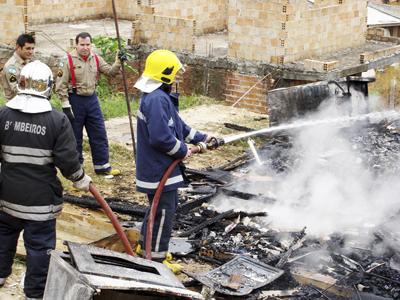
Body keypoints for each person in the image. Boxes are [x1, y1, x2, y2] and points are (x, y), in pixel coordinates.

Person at [0, 61, 92, 300]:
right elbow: (68, 162)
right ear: (48, 87)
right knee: (40, 250)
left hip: (7, 198)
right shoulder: (57, 120)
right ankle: (34, 294)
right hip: (40, 204)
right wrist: (81, 180)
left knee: (2, 239)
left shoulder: (4, 115)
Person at [134, 49, 210, 266]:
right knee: (164, 213)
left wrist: (204, 138)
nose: (177, 77)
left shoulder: (161, 97)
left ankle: (145, 247)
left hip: (159, 168)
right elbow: (160, 138)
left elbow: (179, 126)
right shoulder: (157, 100)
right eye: (175, 73)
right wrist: (184, 150)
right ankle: (155, 259)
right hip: (158, 170)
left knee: (157, 209)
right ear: (164, 73)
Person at [55, 32, 123, 176]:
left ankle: (102, 166)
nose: (85, 48)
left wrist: (118, 61)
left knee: (99, 133)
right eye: (82, 45)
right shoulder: (67, 60)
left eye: (87, 44)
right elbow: (60, 86)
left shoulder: (96, 58)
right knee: (75, 137)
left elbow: (110, 72)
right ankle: (77, 171)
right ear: (76, 44)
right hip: (75, 100)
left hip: (92, 100)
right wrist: (65, 106)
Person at [0, 33, 35, 101]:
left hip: (27, 101)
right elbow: (17, 90)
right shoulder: (11, 67)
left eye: (32, 48)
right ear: (18, 47)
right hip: (15, 105)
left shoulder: (27, 61)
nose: (31, 52)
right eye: (28, 48)